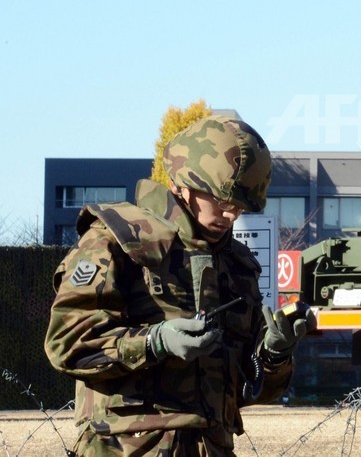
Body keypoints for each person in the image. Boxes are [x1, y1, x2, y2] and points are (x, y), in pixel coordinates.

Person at [45, 115, 317, 456]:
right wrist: (154, 343)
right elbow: (66, 344)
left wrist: (275, 353)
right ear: (184, 185)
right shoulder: (117, 240)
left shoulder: (237, 265)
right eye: (222, 200)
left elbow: (251, 389)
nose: (232, 214)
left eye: (241, 206)